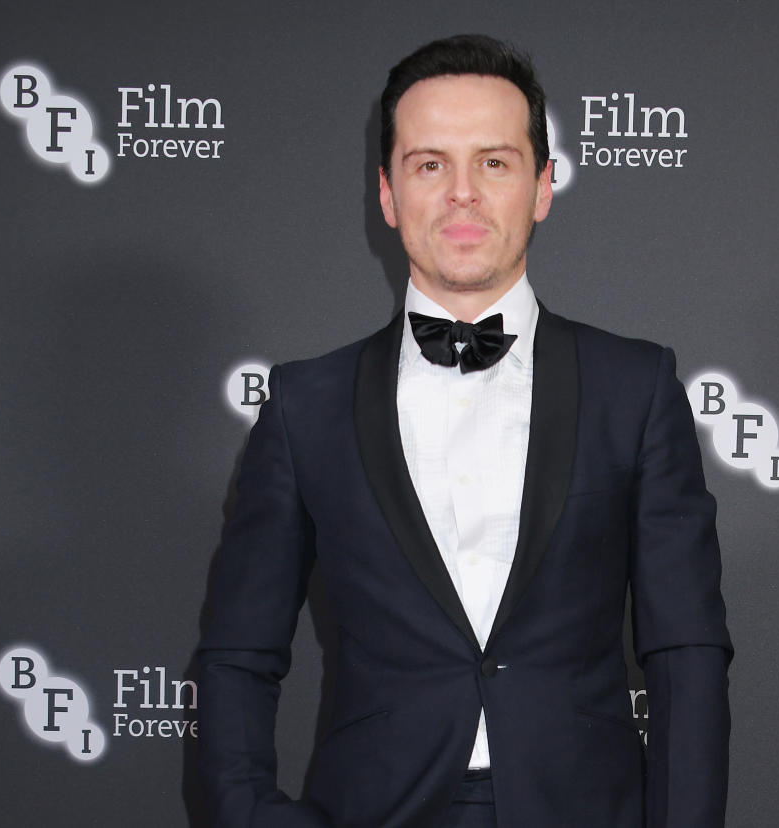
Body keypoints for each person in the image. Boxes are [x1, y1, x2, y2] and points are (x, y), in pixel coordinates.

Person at [197, 34, 732, 828]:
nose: (461, 194)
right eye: (428, 164)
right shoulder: (305, 403)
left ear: (543, 186)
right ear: (386, 194)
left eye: (494, 161)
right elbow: (238, 653)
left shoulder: (637, 387)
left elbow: (685, 650)